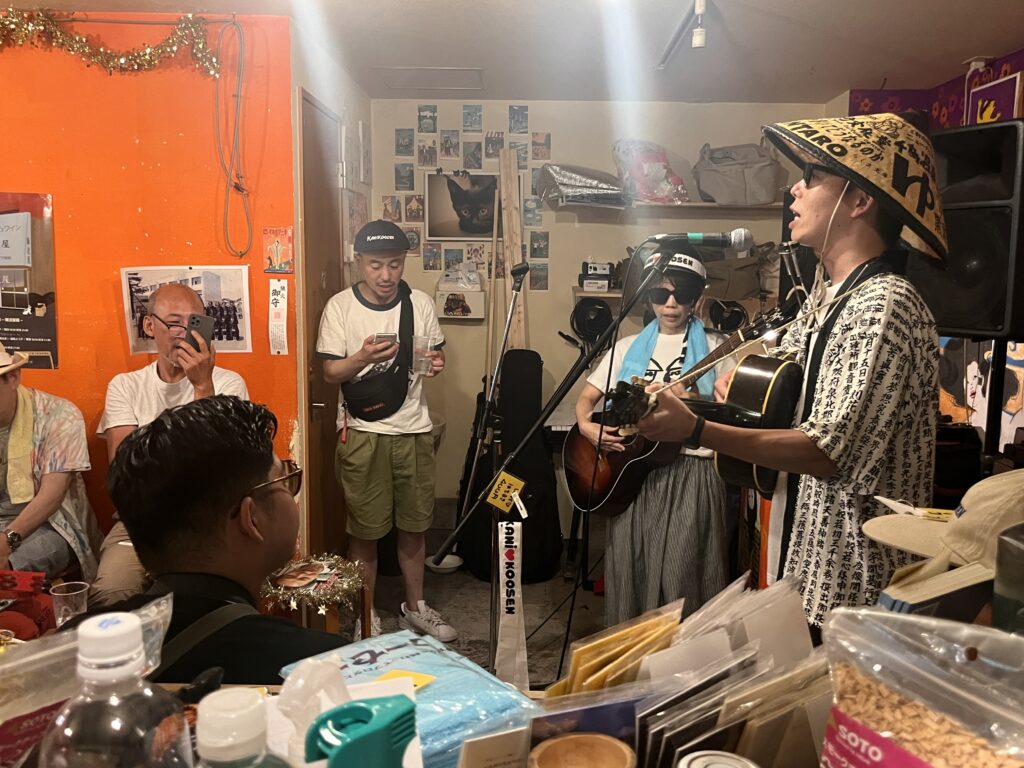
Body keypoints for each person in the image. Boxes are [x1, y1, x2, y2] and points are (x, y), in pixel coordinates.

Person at [638, 113, 946, 635]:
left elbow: (825, 452)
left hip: (855, 588)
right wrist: (716, 394)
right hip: (809, 563)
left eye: (814, 177)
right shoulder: (826, 298)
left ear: (859, 200)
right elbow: (775, 388)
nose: (795, 190)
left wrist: (694, 429)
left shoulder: (883, 305)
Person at [66, 396, 347, 684]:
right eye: (284, 480)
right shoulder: (319, 666)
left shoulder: (72, 647)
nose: (291, 490)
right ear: (252, 519)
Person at [317, 219, 455, 641]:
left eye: (394, 264)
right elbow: (330, 372)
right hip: (363, 433)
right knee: (365, 532)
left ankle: (415, 607)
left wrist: (436, 363)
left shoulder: (419, 304)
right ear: (358, 261)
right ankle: (367, 615)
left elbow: (433, 356)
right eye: (376, 265)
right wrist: (362, 357)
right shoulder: (341, 307)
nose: (385, 275)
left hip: (414, 429)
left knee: (415, 527)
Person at [575, 246, 729, 625]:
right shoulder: (627, 347)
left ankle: (684, 657)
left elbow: (730, 414)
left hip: (692, 470)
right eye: (661, 294)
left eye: (682, 294)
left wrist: (692, 401)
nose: (671, 304)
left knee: (685, 574)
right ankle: (634, 651)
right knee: (631, 569)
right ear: (648, 298)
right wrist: (586, 426)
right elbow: (586, 399)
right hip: (631, 472)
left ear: (697, 298)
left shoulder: (716, 349)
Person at [90, 283, 249, 607]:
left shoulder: (228, 383)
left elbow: (223, 470)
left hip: (208, 521)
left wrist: (202, 387)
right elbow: (124, 471)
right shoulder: (126, 386)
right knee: (111, 592)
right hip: (141, 519)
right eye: (175, 323)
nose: (184, 334)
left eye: (195, 324)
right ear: (150, 325)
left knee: (209, 601)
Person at [0, 343, 101, 581]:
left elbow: (52, 496)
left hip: (51, 526)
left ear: (13, 377)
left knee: (6, 572)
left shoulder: (59, 415)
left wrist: (6, 540)